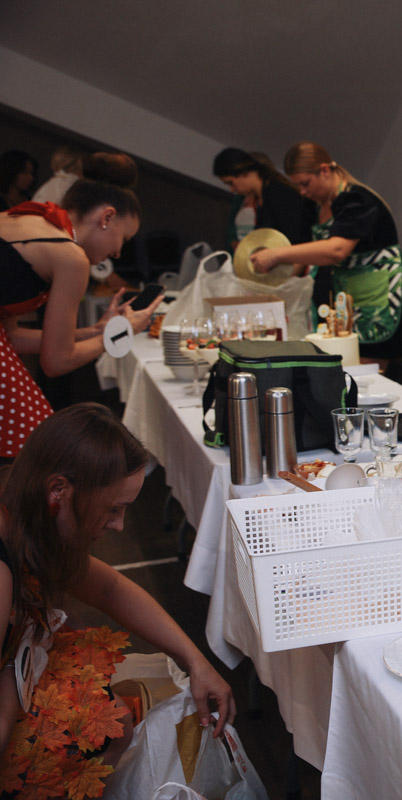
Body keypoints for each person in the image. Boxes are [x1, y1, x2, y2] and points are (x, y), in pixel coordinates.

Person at [0, 403, 235, 796]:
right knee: (103, 726)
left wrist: (195, 660)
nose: (119, 526)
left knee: (114, 721)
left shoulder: (25, 510)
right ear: (58, 489)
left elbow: (109, 588)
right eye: (113, 508)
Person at [0, 152, 162, 461]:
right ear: (107, 218)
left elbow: (11, 339)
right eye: (122, 239)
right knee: (32, 447)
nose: (117, 252)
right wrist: (118, 334)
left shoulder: (33, 219)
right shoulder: (69, 255)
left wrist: (95, 330)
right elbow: (56, 362)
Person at [248, 141, 402, 359]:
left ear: (324, 171)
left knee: (368, 374)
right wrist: (275, 288)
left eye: (306, 184)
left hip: (372, 304)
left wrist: (276, 254)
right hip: (338, 303)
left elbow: (336, 250)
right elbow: (303, 252)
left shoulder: (357, 200)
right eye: (298, 187)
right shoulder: (312, 205)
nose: (303, 192)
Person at [212, 147, 314, 250]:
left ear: (243, 173)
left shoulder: (279, 193)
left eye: (231, 183)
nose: (232, 189)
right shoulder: (262, 199)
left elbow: (296, 239)